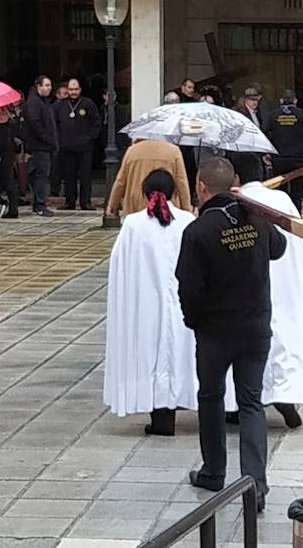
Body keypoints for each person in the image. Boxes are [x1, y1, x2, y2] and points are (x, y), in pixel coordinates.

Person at [177, 157, 287, 513]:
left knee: (211, 397)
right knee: (251, 402)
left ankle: (214, 471)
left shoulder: (198, 231)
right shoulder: (255, 217)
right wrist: (255, 208)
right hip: (255, 326)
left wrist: (194, 322)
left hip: (215, 330)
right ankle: (255, 483)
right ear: (235, 183)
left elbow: (188, 288)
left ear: (201, 187)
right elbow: (278, 248)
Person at [231, 153, 303, 425]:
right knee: (283, 337)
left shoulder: (234, 203)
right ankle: (285, 395)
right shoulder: (281, 200)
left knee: (242, 343)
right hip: (284, 279)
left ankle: (235, 402)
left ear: (236, 177)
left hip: (249, 282)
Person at [104, 170, 197, 436]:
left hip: (145, 303)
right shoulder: (187, 220)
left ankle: (159, 415)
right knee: (179, 351)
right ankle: (177, 401)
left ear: (144, 193)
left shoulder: (134, 224)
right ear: (174, 193)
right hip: (182, 302)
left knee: (150, 352)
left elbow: (120, 265)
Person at [106, 139, 191, 217]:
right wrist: (186, 208)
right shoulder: (174, 151)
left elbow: (121, 181)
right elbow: (181, 181)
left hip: (136, 201)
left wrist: (113, 204)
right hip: (165, 202)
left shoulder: (132, 151)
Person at [264, 89, 303, 211]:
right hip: (298, 159)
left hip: (279, 159)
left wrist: (267, 152)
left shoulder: (273, 115)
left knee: (280, 193)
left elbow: (265, 134)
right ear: (295, 101)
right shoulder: (302, 114)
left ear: (281, 101)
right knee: (297, 193)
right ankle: (296, 218)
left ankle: (283, 218)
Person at [55, 78, 101, 211]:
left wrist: (90, 137)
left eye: (76, 89)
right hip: (67, 147)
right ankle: (70, 202)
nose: (73, 92)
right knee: (69, 176)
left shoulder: (88, 103)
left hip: (85, 147)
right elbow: (55, 123)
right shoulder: (60, 105)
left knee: (86, 176)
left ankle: (85, 202)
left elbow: (96, 122)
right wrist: (59, 139)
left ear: (80, 90)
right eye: (71, 89)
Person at [24, 75, 58, 217]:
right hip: (40, 146)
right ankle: (39, 204)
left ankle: (39, 203)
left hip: (44, 145)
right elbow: (35, 123)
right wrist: (47, 139)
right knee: (41, 175)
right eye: (46, 85)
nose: (49, 88)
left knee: (41, 174)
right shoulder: (34, 102)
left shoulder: (43, 102)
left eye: (50, 85)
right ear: (38, 86)